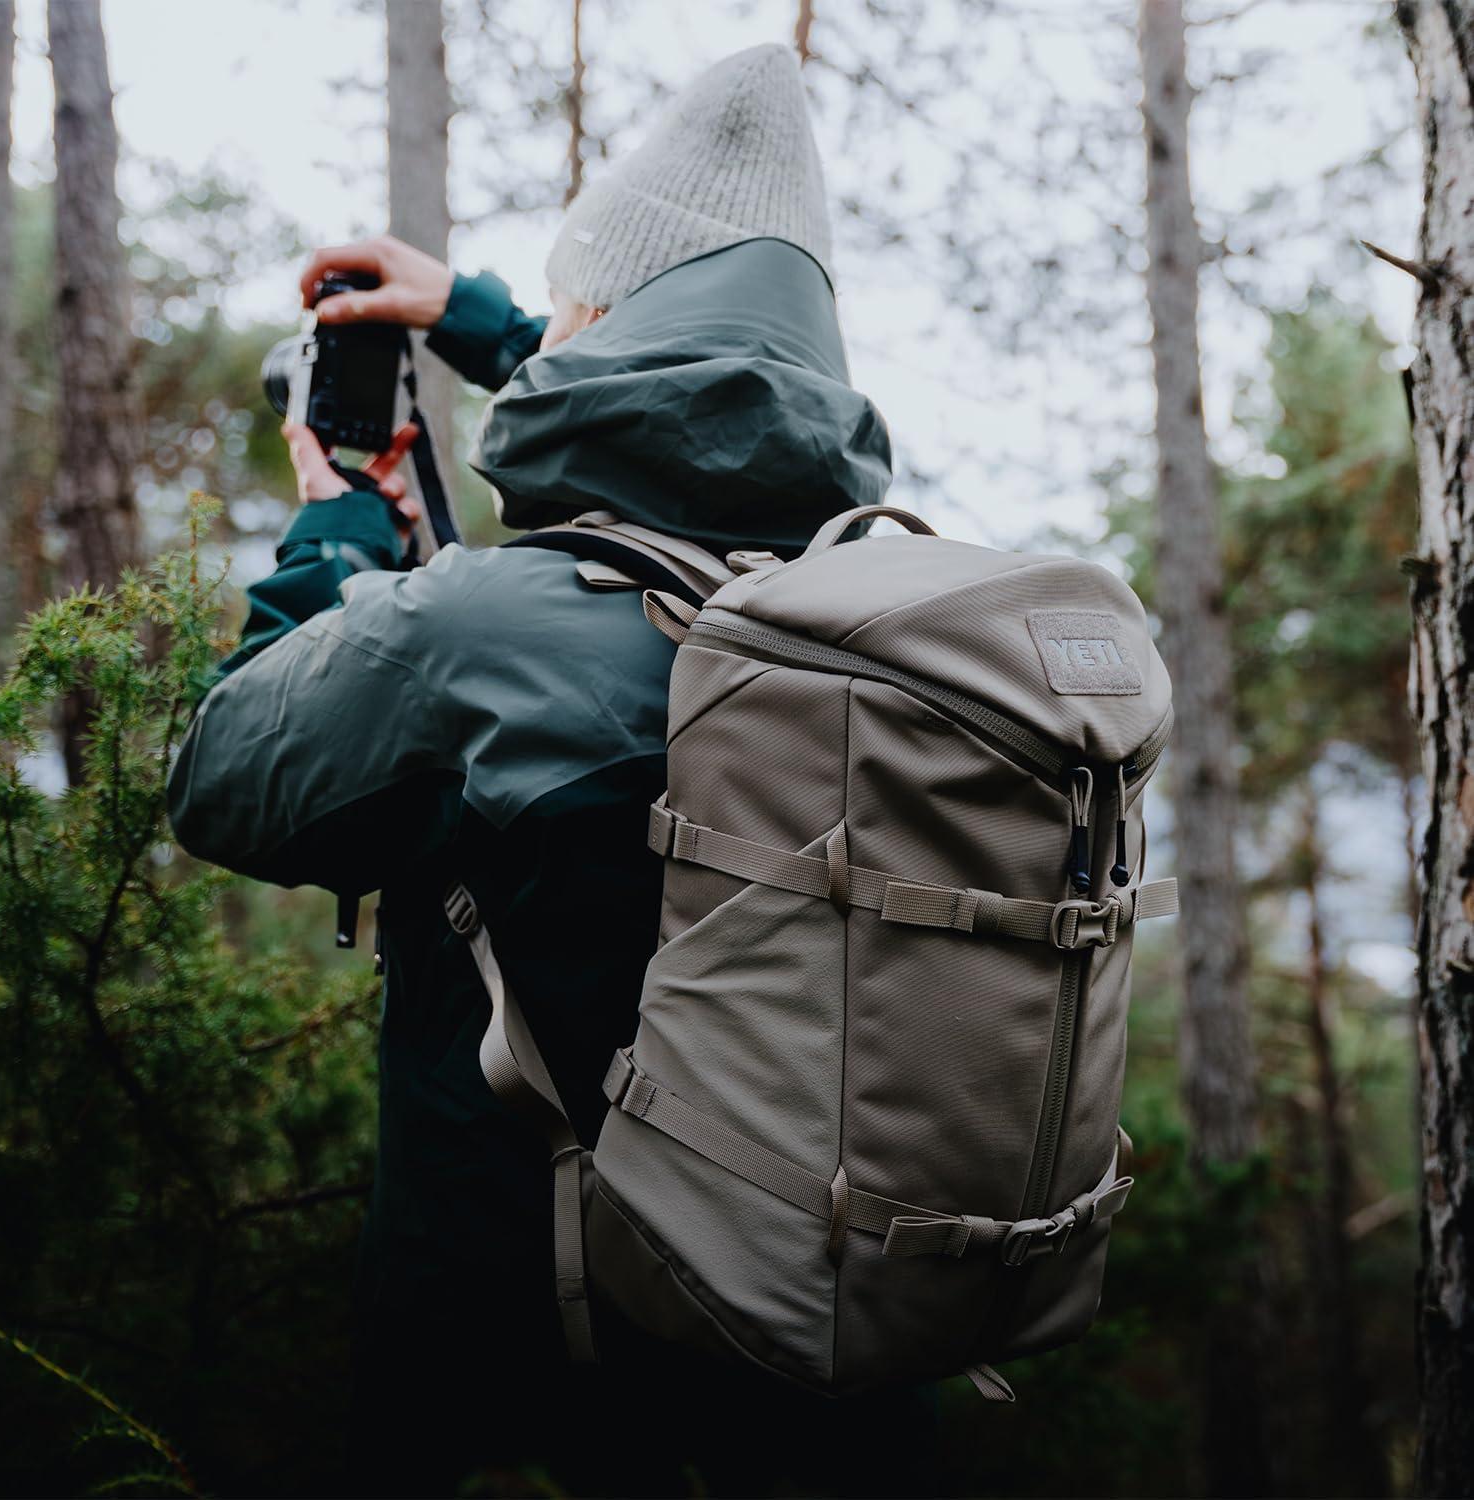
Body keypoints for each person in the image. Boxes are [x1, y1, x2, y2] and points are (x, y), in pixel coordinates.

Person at [169, 42, 930, 1497]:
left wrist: (333, 533)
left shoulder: (476, 631)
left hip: (529, 1397)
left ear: (605, 322)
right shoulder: (890, 615)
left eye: (576, 310)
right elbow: (715, 433)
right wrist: (478, 316)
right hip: (842, 1375)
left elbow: (220, 774)